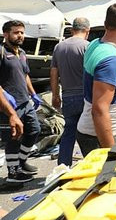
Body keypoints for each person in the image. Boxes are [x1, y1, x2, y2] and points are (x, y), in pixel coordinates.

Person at [76, 3, 116, 156]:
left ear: (105, 24)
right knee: (110, 180)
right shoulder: (111, 61)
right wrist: (112, 152)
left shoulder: (96, 45)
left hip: (103, 131)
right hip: (99, 137)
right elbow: (99, 110)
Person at [0, 20, 42, 183]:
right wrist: (5, 95)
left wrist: (33, 94)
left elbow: (25, 75)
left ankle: (21, 162)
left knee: (34, 130)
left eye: (22, 32)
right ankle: (13, 173)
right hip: (8, 105)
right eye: (16, 32)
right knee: (14, 137)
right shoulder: (2, 52)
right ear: (6, 34)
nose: (20, 35)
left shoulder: (22, 52)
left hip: (25, 102)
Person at [50, 17, 90, 166]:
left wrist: (55, 95)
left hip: (67, 95)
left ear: (72, 30)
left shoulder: (59, 47)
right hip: (85, 96)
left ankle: (63, 166)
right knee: (89, 133)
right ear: (88, 31)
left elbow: (54, 73)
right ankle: (91, 164)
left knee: (69, 132)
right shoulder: (88, 46)